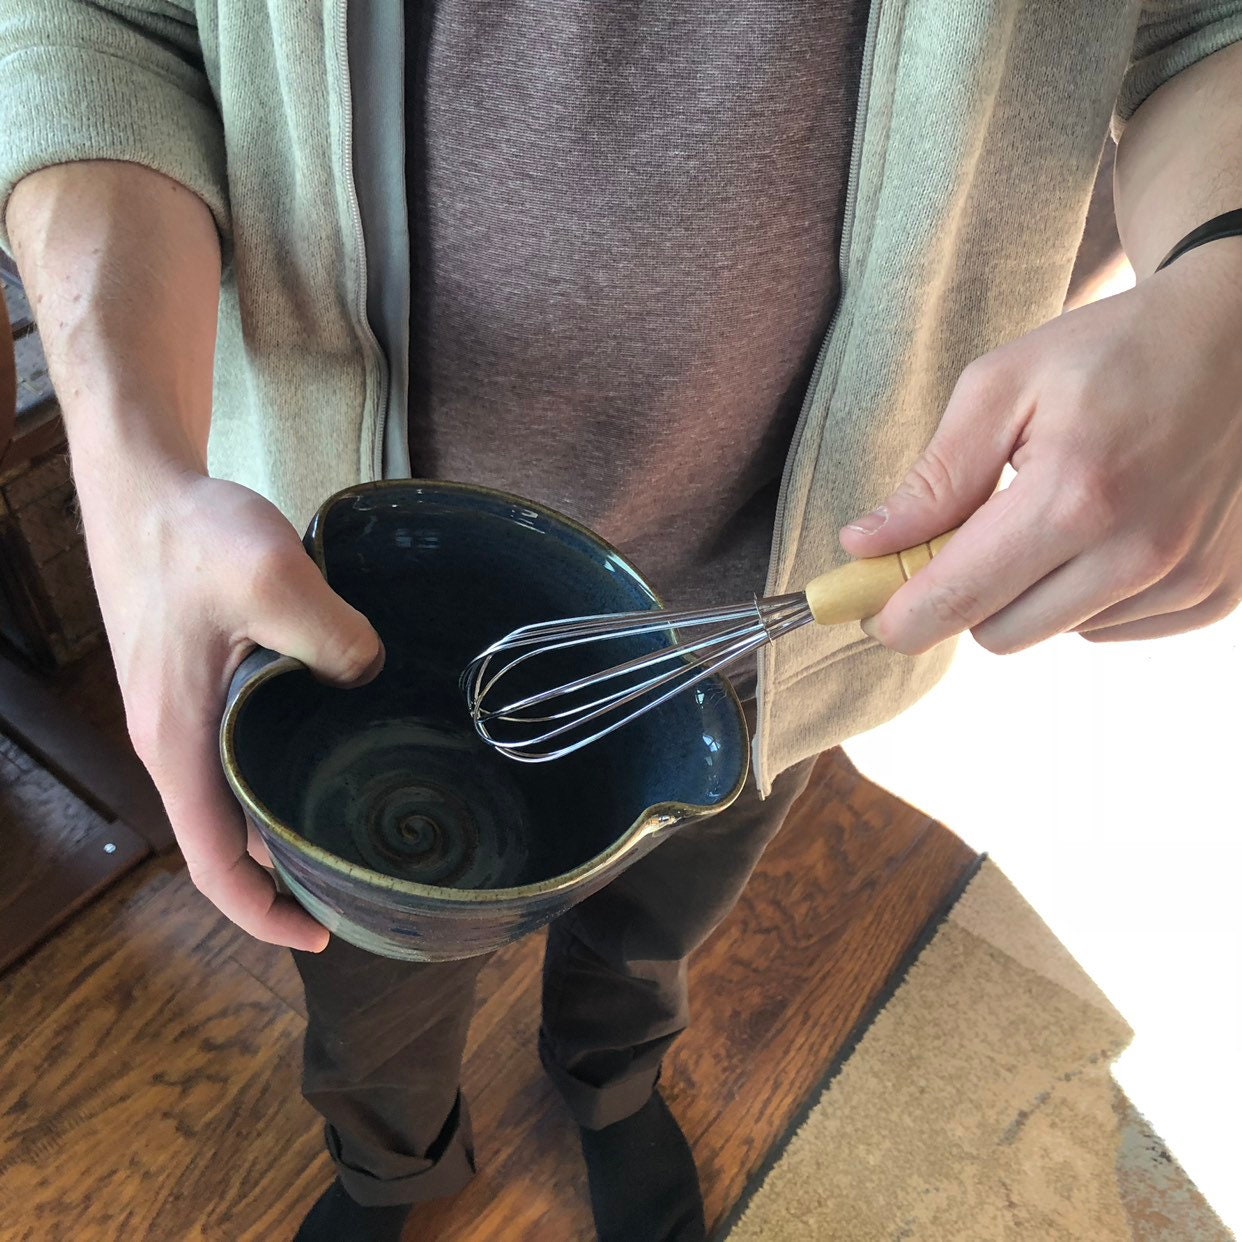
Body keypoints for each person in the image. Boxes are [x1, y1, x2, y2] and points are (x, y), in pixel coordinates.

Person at [2, 3, 1240, 1239]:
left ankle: (609, 1085)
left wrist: (1225, 293)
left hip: (754, 651)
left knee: (649, 937)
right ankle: (392, 1166)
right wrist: (127, 463)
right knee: (364, 996)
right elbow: (93, 22)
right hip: (326, 603)